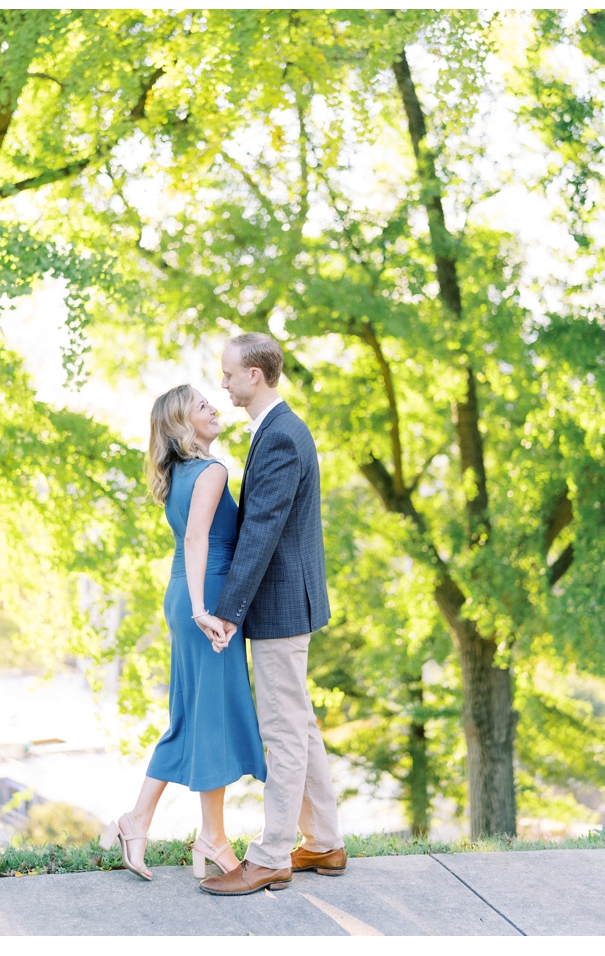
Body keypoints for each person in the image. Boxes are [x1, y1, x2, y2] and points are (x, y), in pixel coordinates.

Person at [198, 332, 345, 897]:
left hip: (281, 604)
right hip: (288, 600)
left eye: (229, 373)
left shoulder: (281, 436)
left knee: (282, 730)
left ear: (254, 375)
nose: (224, 382)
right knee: (300, 724)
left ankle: (270, 854)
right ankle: (325, 842)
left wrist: (228, 610)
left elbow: (262, 531)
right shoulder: (276, 430)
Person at [99, 384, 266, 881]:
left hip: (185, 593)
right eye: (201, 405)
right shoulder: (212, 471)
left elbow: (192, 537)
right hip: (204, 599)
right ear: (182, 424)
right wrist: (201, 609)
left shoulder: (177, 474)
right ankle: (210, 839)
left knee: (194, 716)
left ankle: (140, 821)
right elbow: (197, 537)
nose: (214, 407)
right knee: (206, 716)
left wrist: (191, 604)